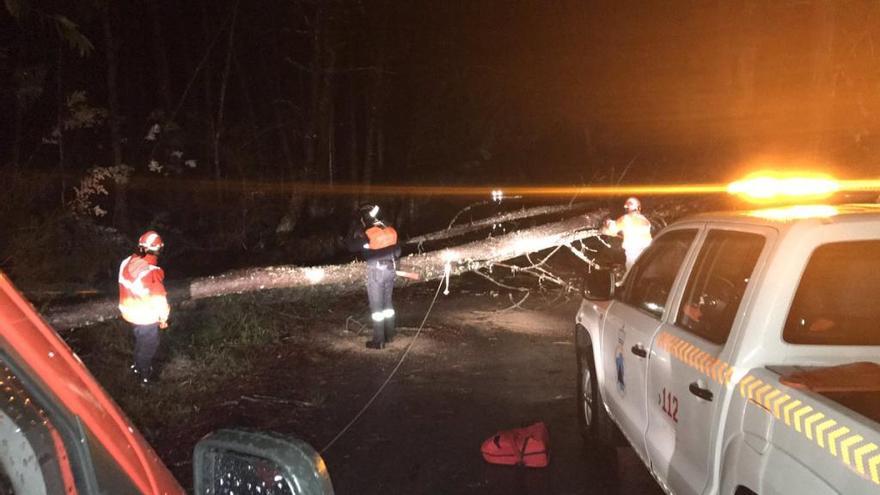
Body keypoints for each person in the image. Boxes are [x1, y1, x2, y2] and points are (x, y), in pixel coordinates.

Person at [118, 230, 170, 383]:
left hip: (128, 311)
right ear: (158, 249)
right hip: (144, 315)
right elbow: (159, 299)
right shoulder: (152, 272)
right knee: (149, 344)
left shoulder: (127, 262)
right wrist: (163, 318)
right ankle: (145, 376)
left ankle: (136, 366)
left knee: (140, 339)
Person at [347, 204, 401, 349]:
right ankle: (389, 335)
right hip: (391, 269)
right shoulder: (390, 230)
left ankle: (378, 341)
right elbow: (398, 252)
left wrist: (353, 228)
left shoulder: (368, 233)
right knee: (387, 305)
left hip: (376, 272)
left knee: (377, 307)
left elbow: (350, 246)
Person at [601, 197, 653, 271]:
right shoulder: (645, 221)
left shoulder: (626, 219)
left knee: (632, 278)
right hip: (648, 254)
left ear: (626, 208)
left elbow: (611, 229)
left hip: (634, 256)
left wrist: (607, 222)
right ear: (639, 208)